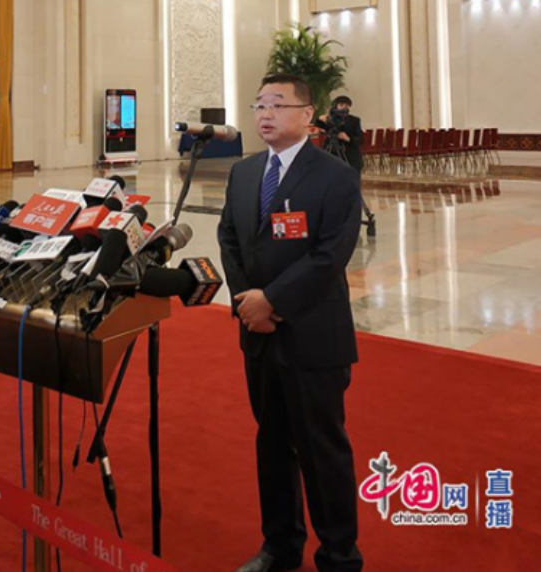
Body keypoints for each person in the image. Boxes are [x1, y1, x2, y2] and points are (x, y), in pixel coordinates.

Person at [218, 74, 363, 572]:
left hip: (312, 334)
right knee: (272, 445)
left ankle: (339, 556)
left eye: (278, 104)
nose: (265, 113)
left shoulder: (335, 176)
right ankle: (280, 547)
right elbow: (229, 239)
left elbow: (331, 255)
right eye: (260, 104)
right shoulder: (244, 172)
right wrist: (247, 302)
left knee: (322, 449)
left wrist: (273, 301)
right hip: (257, 335)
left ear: (307, 114)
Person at [313, 95, 364, 173]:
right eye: (341, 105)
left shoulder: (354, 120)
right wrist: (319, 120)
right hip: (332, 153)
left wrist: (348, 138)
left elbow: (360, 139)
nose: (344, 107)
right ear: (335, 106)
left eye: (346, 105)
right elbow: (318, 125)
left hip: (349, 155)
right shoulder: (329, 119)